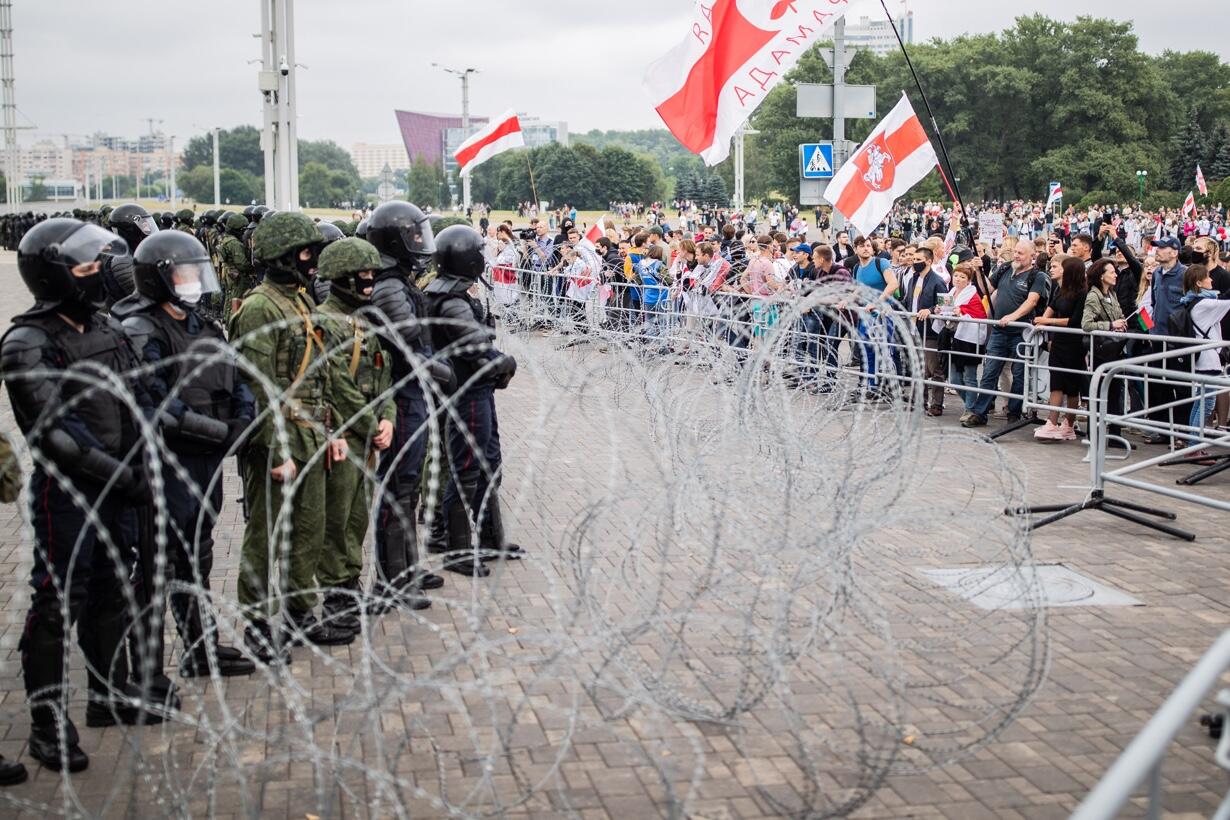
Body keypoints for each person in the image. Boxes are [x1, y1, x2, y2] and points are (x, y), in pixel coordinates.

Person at [1, 218, 166, 775]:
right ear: (56, 274)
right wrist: (123, 474)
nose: (99, 273)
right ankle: (48, 724)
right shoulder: (28, 341)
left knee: (113, 588)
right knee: (56, 603)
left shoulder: (110, 326)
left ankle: (107, 692)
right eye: (87, 266)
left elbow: (142, 393)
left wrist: (146, 461)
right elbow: (53, 434)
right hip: (69, 494)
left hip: (123, 485)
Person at [113, 231, 256, 679]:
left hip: (206, 461)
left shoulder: (203, 324)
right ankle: (145, 666)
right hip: (169, 461)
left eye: (198, 271)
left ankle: (201, 646)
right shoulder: (140, 329)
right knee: (161, 562)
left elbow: (237, 375)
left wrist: (242, 420)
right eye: (185, 271)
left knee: (199, 553)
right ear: (158, 278)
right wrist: (218, 432)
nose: (195, 279)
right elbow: (153, 402)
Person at [229, 211, 355, 662]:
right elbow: (258, 388)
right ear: (282, 255)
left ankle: (301, 614)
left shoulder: (299, 302)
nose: (312, 260)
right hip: (275, 439)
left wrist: (333, 431)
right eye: (305, 252)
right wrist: (278, 451)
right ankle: (260, 625)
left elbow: (319, 375)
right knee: (266, 534)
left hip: (311, 433)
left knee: (309, 530)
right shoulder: (260, 307)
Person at [367, 202, 457, 597]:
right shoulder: (389, 286)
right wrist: (444, 371)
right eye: (415, 235)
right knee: (399, 484)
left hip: (412, 391)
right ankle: (392, 578)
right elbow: (406, 344)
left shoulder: (398, 281)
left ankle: (407, 567)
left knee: (409, 486)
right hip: (402, 391)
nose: (422, 242)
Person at [312, 238, 398, 626]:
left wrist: (389, 418)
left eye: (371, 276)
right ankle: (336, 592)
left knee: (357, 516)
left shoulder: (366, 321)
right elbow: (334, 386)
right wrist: (369, 422)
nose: (369, 283)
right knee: (337, 516)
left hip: (367, 437)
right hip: (341, 435)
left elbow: (384, 376)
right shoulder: (323, 323)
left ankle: (350, 582)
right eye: (361, 277)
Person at [424, 225, 519, 575]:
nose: (483, 256)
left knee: (488, 461)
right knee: (466, 468)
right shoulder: (449, 299)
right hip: (464, 392)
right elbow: (474, 343)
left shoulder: (457, 293)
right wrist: (504, 363)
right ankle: (458, 550)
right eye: (478, 251)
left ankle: (489, 539)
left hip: (477, 388)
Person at [963, 240, 1049, 427]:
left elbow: (1032, 301)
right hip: (999, 331)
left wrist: (1013, 316)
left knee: (1019, 374)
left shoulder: (1037, 276)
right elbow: (988, 288)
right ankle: (980, 412)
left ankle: (1014, 412)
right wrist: (979, 271)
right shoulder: (1004, 269)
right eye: (1016, 252)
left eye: (1021, 253)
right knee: (989, 372)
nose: (1017, 256)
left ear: (1032, 256)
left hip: (1022, 332)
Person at [1139, 236, 1190, 445]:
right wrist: (1149, 331)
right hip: (1158, 337)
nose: (1157, 251)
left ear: (1174, 252)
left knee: (1181, 386)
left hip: (1178, 341)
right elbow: (1150, 304)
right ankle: (1162, 430)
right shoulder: (1158, 274)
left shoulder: (1185, 274)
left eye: (1162, 248)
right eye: (1157, 247)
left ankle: (1181, 432)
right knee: (1159, 385)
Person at [1033, 257, 1089, 441]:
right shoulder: (1060, 290)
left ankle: (1068, 424)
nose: (1054, 269)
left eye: (1060, 266)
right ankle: (1052, 422)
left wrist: (1047, 321)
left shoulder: (1082, 292)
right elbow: (1051, 308)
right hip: (1058, 343)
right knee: (1056, 382)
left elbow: (1075, 321)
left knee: (1072, 386)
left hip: (1074, 345)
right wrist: (1042, 321)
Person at [1176, 265, 1230, 450]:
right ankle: (1194, 446)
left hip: (1205, 359)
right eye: (1208, 277)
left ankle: (1192, 443)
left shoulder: (1192, 301)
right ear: (1199, 283)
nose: (1212, 280)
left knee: (1200, 402)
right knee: (1206, 405)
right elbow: (1227, 301)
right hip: (1208, 360)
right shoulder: (1204, 304)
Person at [1082, 258, 1130, 445]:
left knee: (1115, 392)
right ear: (1102, 276)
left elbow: (1117, 315)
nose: (1115, 274)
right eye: (1111, 272)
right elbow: (1086, 324)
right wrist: (1111, 325)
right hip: (1101, 351)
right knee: (1101, 392)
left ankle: (1115, 434)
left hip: (1114, 350)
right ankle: (1094, 433)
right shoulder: (1094, 296)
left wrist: (1121, 322)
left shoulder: (1112, 293)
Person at [899, 246, 949, 415]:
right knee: (918, 368)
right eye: (913, 259)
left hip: (931, 332)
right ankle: (919, 400)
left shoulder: (937, 281)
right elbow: (908, 300)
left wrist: (932, 309)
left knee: (934, 369)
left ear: (929, 261)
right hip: (914, 329)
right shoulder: (913, 278)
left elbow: (946, 305)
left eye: (918, 260)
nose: (915, 263)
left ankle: (936, 404)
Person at [936, 259, 987, 422]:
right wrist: (939, 310)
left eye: (962, 277)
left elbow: (979, 315)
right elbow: (946, 314)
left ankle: (971, 409)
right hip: (953, 338)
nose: (958, 279)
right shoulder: (950, 293)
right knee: (954, 377)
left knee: (969, 376)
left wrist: (962, 312)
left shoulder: (973, 295)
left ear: (969, 280)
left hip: (969, 340)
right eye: (956, 275)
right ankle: (975, 407)